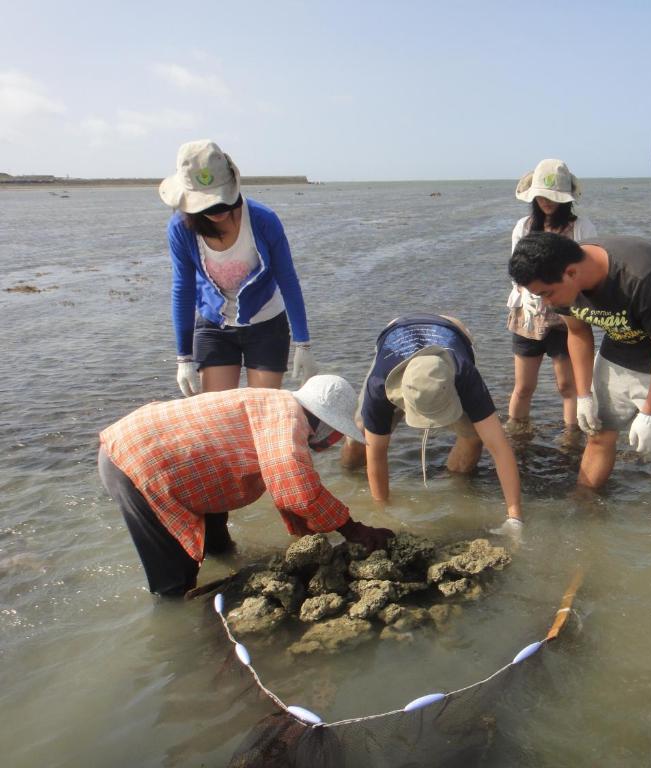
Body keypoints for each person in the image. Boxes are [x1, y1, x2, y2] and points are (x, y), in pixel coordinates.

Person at [98, 375, 394, 596]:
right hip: (135, 464)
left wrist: (310, 543)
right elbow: (297, 489)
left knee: (217, 543)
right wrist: (353, 529)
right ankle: (179, 633)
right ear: (321, 420)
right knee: (174, 579)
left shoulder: (273, 404)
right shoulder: (287, 417)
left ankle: (223, 564)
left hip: (162, 456)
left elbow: (283, 486)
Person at [508, 233, 651, 533]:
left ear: (571, 273)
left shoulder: (640, 275)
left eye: (547, 294)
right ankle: (584, 505)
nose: (546, 302)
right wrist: (583, 394)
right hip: (619, 352)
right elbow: (578, 333)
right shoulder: (559, 281)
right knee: (598, 434)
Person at [340, 314, 524, 539]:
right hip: (396, 333)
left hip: (453, 330)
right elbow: (377, 453)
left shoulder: (464, 374)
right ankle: (347, 472)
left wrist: (514, 517)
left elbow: (498, 446)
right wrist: (382, 512)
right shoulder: (379, 385)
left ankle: (457, 482)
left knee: (474, 438)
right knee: (358, 438)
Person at [159, 139, 318, 398]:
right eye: (207, 205)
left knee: (261, 409)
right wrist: (183, 358)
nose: (218, 211)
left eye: (223, 202)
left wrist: (303, 344)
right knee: (217, 413)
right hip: (214, 325)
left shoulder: (263, 220)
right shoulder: (180, 229)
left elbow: (287, 280)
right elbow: (183, 289)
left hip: (266, 323)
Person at [505, 159, 597, 432]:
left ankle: (571, 439)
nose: (546, 201)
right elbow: (516, 269)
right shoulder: (524, 227)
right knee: (523, 387)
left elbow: (588, 270)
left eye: (553, 196)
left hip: (567, 317)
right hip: (528, 316)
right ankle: (517, 435)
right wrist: (534, 294)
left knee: (567, 385)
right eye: (542, 195)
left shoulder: (581, 228)